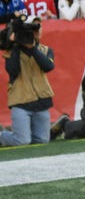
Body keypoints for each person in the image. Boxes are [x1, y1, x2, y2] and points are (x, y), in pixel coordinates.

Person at [0, 17, 59, 147]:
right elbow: (13, 71)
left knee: (42, 141)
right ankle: (2, 136)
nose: (36, 31)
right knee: (22, 141)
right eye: (32, 28)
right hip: (20, 101)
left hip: (41, 101)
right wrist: (16, 45)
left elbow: (48, 67)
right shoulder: (12, 51)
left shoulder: (46, 50)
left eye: (38, 27)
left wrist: (32, 48)